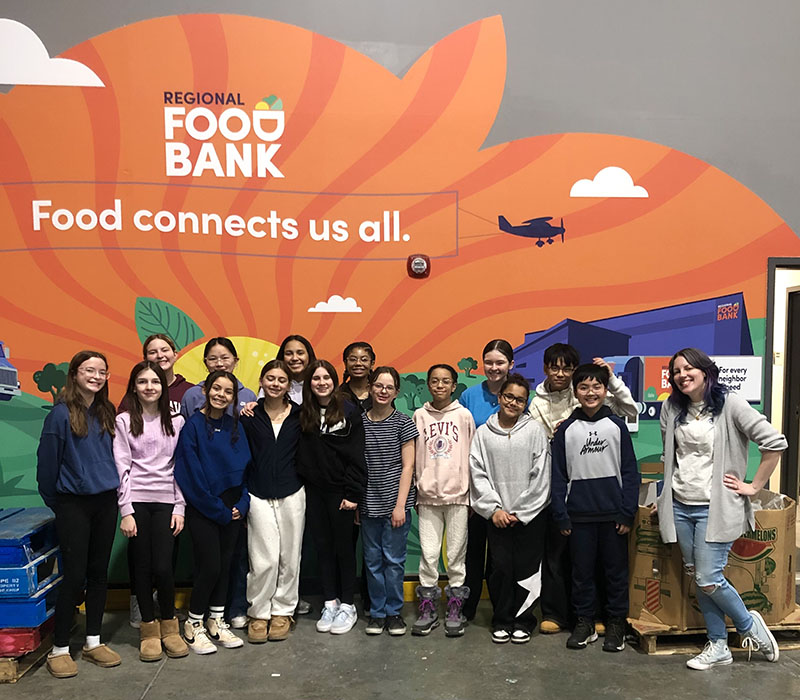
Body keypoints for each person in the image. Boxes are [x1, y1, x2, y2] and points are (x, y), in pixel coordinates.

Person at [657, 348, 786, 670]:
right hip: (680, 504)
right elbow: (670, 457)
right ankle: (718, 646)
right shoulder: (671, 408)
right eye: (676, 371)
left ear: (705, 371)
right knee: (698, 576)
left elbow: (774, 442)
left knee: (708, 578)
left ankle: (748, 626)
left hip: (715, 508)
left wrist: (753, 487)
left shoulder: (730, 404)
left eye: (689, 369)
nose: (682, 375)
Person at [529, 343, 638, 635]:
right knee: (566, 562)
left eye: (567, 368)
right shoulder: (537, 402)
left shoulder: (603, 412)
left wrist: (611, 379)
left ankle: (605, 617)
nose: (561, 373)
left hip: (604, 504)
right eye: (555, 367)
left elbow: (630, 410)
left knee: (606, 566)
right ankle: (568, 616)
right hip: (562, 493)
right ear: (546, 369)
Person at [37, 351, 122, 678]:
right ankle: (58, 649)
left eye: (102, 371)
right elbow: (46, 468)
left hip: (105, 501)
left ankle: (93, 641)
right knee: (73, 575)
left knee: (99, 573)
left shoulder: (105, 410)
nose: (97, 376)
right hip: (72, 504)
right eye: (90, 370)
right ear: (75, 374)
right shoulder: (60, 415)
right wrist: (59, 504)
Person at [114, 361, 188, 662]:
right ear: (134, 386)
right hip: (138, 502)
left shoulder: (177, 420)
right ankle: (148, 628)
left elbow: (181, 468)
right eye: (142, 381)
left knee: (164, 568)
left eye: (155, 382)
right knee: (142, 568)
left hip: (168, 501)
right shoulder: (123, 421)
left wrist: (180, 506)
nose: (149, 387)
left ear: (163, 386)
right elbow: (122, 466)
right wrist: (126, 510)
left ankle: (170, 627)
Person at [469, 373, 550, 645]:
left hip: (529, 517)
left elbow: (541, 476)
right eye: (509, 397)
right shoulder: (483, 434)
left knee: (526, 570)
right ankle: (501, 620)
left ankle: (524, 621)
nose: (513, 403)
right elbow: (477, 473)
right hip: (497, 517)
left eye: (520, 400)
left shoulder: (535, 431)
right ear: (499, 397)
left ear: (526, 403)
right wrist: (494, 510)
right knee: (500, 568)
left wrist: (522, 512)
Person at [174, 371, 251, 654]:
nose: (221, 394)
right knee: (210, 566)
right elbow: (189, 473)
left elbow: (246, 470)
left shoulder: (235, 426)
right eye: (216, 388)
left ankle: (216, 620)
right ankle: (193, 623)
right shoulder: (192, 426)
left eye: (228, 391)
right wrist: (217, 509)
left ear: (234, 396)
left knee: (227, 564)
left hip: (233, 508)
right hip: (206, 507)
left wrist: (242, 504)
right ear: (205, 390)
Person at [297, 360, 367, 635]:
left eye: (327, 377)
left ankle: (348, 604)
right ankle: (330, 601)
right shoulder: (303, 413)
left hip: (342, 494)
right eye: (316, 378)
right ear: (309, 383)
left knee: (344, 550)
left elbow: (357, 455)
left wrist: (353, 494)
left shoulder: (349, 411)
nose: (321, 382)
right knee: (322, 548)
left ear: (335, 380)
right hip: (314, 492)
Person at [239, 360, 305, 643]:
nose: (276, 384)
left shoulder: (302, 416)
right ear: (262, 381)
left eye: (282, 380)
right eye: (271, 378)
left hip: (293, 492)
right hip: (258, 493)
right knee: (263, 559)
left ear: (289, 385)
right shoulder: (249, 416)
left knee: (290, 557)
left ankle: (283, 611)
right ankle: (259, 612)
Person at [411, 364, 475, 637]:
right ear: (428, 384)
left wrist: (470, 494)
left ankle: (455, 607)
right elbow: (412, 456)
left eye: (445, 381)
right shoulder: (419, 416)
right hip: (427, 496)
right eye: (434, 381)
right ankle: (427, 607)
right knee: (428, 554)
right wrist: (417, 489)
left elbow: (472, 455)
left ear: (453, 385)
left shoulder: (464, 416)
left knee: (456, 556)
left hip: (458, 496)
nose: (439, 385)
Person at [459, 339, 515, 621]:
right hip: (474, 487)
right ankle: (465, 610)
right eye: (489, 362)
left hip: (507, 488)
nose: (494, 368)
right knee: (472, 552)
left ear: (510, 365)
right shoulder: (469, 396)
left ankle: (500, 611)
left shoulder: (519, 396)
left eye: (500, 362)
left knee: (499, 556)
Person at [361, 367, 419, 636]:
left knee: (394, 561)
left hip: (397, 504)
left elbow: (408, 467)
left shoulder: (404, 423)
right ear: (371, 388)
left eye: (389, 387)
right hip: (368, 503)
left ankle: (394, 612)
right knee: (372, 561)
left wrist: (400, 506)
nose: (383, 391)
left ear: (397, 392)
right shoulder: (359, 422)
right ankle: (377, 612)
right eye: (378, 386)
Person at [180, 337, 257, 418]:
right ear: (205, 363)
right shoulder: (192, 395)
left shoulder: (248, 396)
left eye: (225, 358)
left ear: (235, 361)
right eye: (213, 359)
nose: (219, 364)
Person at [278, 334, 317, 405]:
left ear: (309, 355)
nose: (294, 358)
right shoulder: (273, 385)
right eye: (289, 354)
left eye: (300, 353)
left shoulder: (319, 384)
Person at [339, 341, 376, 412]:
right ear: (345, 363)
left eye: (364, 360)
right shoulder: (338, 395)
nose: (358, 363)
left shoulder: (379, 393)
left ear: (372, 364)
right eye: (353, 359)